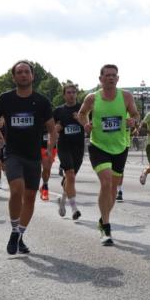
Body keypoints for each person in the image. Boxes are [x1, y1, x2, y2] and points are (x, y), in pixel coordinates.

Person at [0, 61, 56, 255]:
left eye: (27, 72)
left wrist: (49, 152)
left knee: (30, 198)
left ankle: (19, 235)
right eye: (19, 72)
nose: (23, 75)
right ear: (14, 77)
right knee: (16, 190)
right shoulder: (6, 99)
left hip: (34, 156)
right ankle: (13, 230)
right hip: (13, 154)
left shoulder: (42, 101)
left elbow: (52, 129)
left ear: (32, 76)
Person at [76, 64, 139, 246]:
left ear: (118, 79)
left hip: (120, 147)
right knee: (106, 182)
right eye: (107, 75)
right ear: (101, 79)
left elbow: (135, 114)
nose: (111, 78)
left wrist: (133, 120)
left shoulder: (126, 96)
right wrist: (85, 124)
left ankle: (103, 219)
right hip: (99, 146)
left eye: (114, 75)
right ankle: (106, 226)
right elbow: (81, 114)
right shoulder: (92, 98)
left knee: (113, 188)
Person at [53, 84, 87, 219]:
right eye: (68, 92)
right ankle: (74, 209)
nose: (71, 94)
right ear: (64, 95)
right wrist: (57, 128)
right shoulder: (58, 111)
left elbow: (90, 127)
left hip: (78, 148)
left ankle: (62, 201)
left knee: (69, 179)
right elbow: (51, 129)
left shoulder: (82, 109)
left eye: (74, 92)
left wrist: (80, 119)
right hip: (64, 147)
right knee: (70, 175)